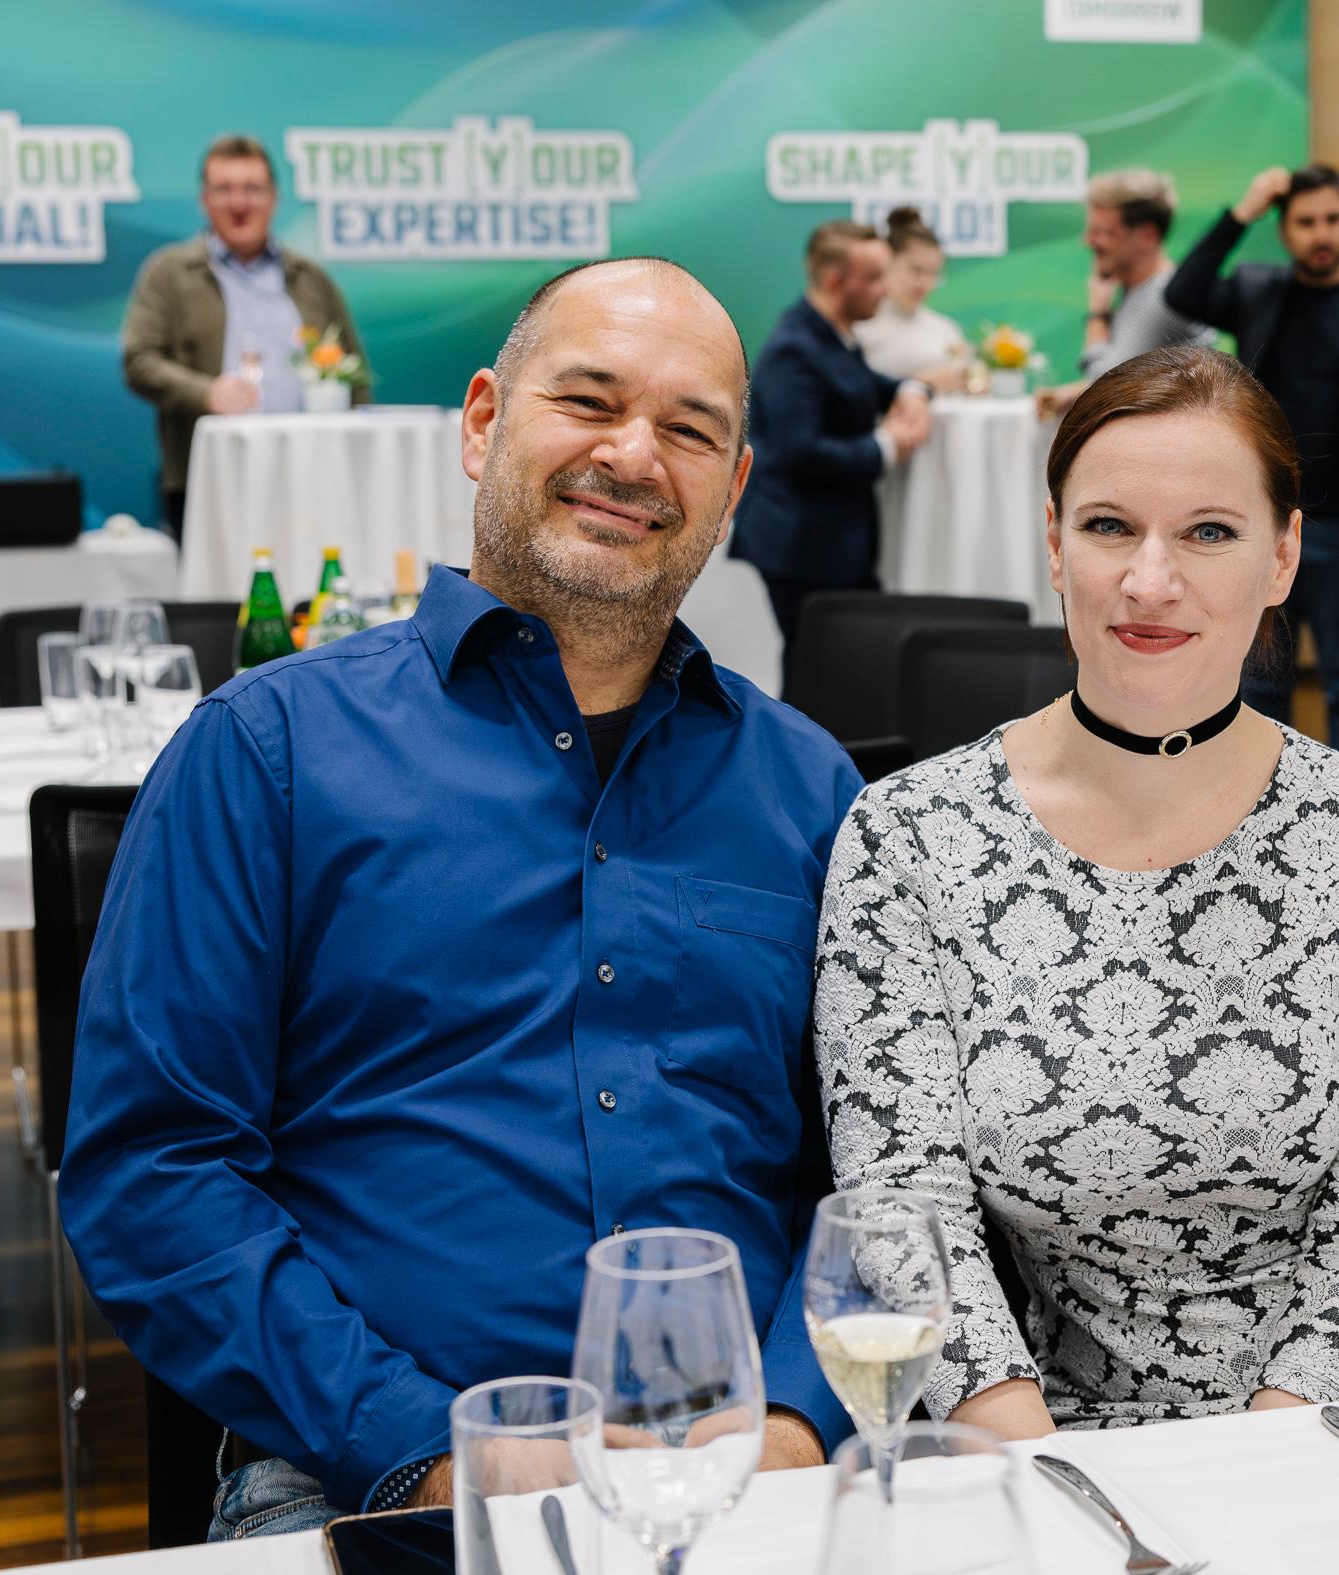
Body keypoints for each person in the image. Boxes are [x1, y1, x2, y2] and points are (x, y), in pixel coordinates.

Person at [61, 257, 855, 1540]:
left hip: (756, 1475)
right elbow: (154, 1170)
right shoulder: (268, 752)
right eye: (588, 401)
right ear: (483, 422)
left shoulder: (809, 789)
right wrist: (429, 1450)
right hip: (368, 1480)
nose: (635, 456)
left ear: (734, 487)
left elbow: (880, 1175)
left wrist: (798, 1417)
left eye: (690, 430)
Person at [814, 345, 1339, 1436]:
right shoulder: (910, 835)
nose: (1151, 580)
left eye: (1209, 532)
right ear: (1053, 544)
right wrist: (1040, 1475)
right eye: (1109, 527)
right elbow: (901, 1208)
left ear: (1283, 558)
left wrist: (1262, 1470)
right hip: (1075, 1421)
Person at [1164, 162, 1339, 761]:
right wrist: (1242, 211)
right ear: (1285, 230)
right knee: (1257, 686)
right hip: (1264, 522)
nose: (1321, 233)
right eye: (1305, 222)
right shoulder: (1260, 289)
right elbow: (1183, 294)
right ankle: (1258, 821)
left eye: (1332, 219)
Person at [120, 134, 368, 537]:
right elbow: (138, 360)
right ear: (204, 200)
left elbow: (353, 376)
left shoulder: (311, 278)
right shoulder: (168, 272)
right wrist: (205, 392)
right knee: (217, 599)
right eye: (225, 190)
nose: (239, 203)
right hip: (210, 480)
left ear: (274, 198)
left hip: (310, 477)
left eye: (252, 189)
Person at [728, 220, 932, 692]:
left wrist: (914, 390)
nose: (885, 290)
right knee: (814, 668)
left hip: (832, 540)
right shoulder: (793, 349)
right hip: (799, 543)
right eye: (876, 278)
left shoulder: (836, 334)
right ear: (838, 280)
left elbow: (864, 389)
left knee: (838, 664)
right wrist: (887, 445)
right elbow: (803, 452)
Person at [1034, 170, 1215, 418]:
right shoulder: (1143, 290)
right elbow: (1135, 380)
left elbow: (1105, 387)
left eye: (1104, 233)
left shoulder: (1163, 298)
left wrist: (1097, 315)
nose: (1089, 241)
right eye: (1091, 231)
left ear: (1148, 236)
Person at [855, 206, 968, 382]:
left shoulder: (946, 328)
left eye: (934, 274)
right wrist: (926, 383)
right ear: (887, 261)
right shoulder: (859, 329)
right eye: (916, 271)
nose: (926, 284)